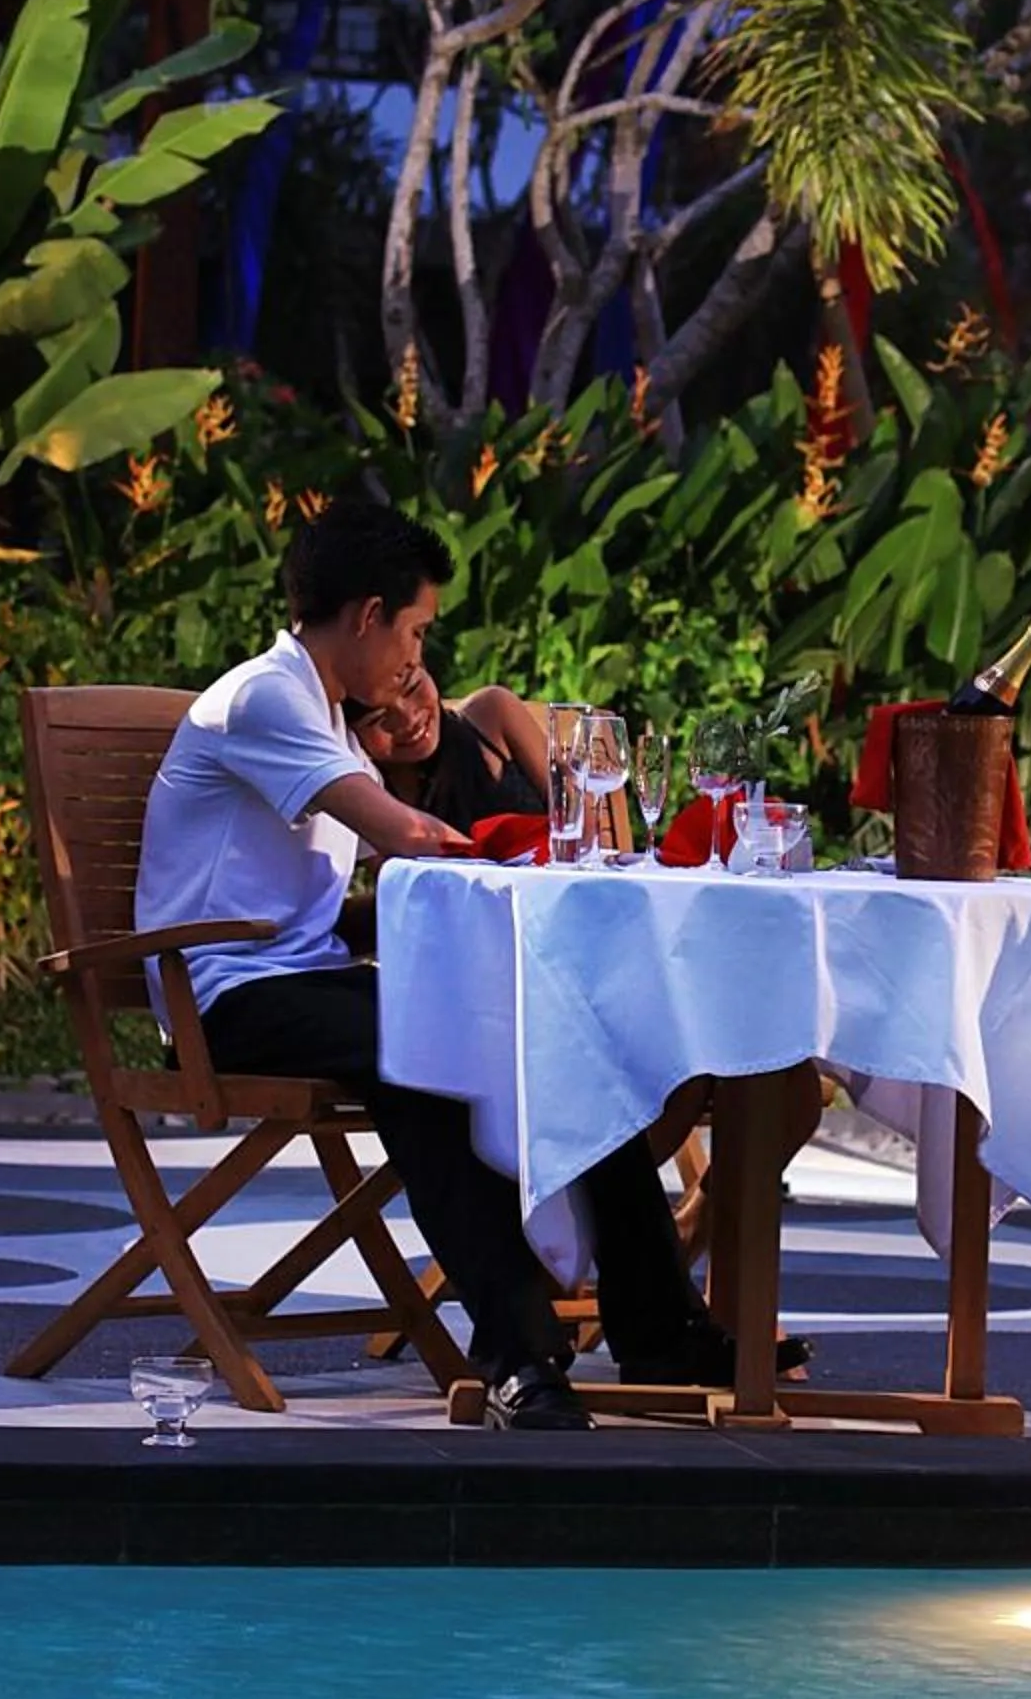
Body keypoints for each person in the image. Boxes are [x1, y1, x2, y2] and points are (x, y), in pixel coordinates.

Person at [133, 494, 735, 1432]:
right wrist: (521, 860)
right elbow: (401, 836)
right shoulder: (267, 696)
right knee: (425, 1058)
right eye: (413, 630)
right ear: (368, 615)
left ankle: (661, 1329)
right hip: (223, 995)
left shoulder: (328, 716)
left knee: (561, 1028)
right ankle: (518, 1356)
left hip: (306, 975)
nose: (418, 658)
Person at [353, 670, 547, 835]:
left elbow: (573, 809)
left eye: (412, 688)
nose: (408, 720)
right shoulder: (359, 786)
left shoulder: (492, 714)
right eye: (377, 718)